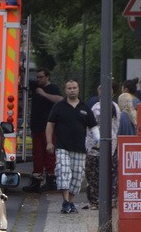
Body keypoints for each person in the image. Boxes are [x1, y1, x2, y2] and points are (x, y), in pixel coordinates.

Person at [45, 80, 99, 215]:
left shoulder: (85, 108)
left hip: (80, 148)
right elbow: (50, 124)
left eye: (74, 88)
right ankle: (65, 201)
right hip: (62, 146)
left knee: (77, 176)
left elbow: (93, 126)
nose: (72, 90)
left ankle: (69, 201)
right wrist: (49, 142)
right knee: (63, 171)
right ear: (66, 90)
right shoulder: (59, 106)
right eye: (69, 88)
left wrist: (98, 140)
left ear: (78, 89)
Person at [23, 68, 62, 192]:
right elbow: (24, 79)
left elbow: (60, 99)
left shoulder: (53, 88)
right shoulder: (35, 86)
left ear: (47, 77)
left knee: (49, 154)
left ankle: (51, 180)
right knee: (37, 154)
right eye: (37, 77)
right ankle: (36, 181)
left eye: (41, 77)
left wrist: (44, 94)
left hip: (48, 127)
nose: (38, 79)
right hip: (36, 127)